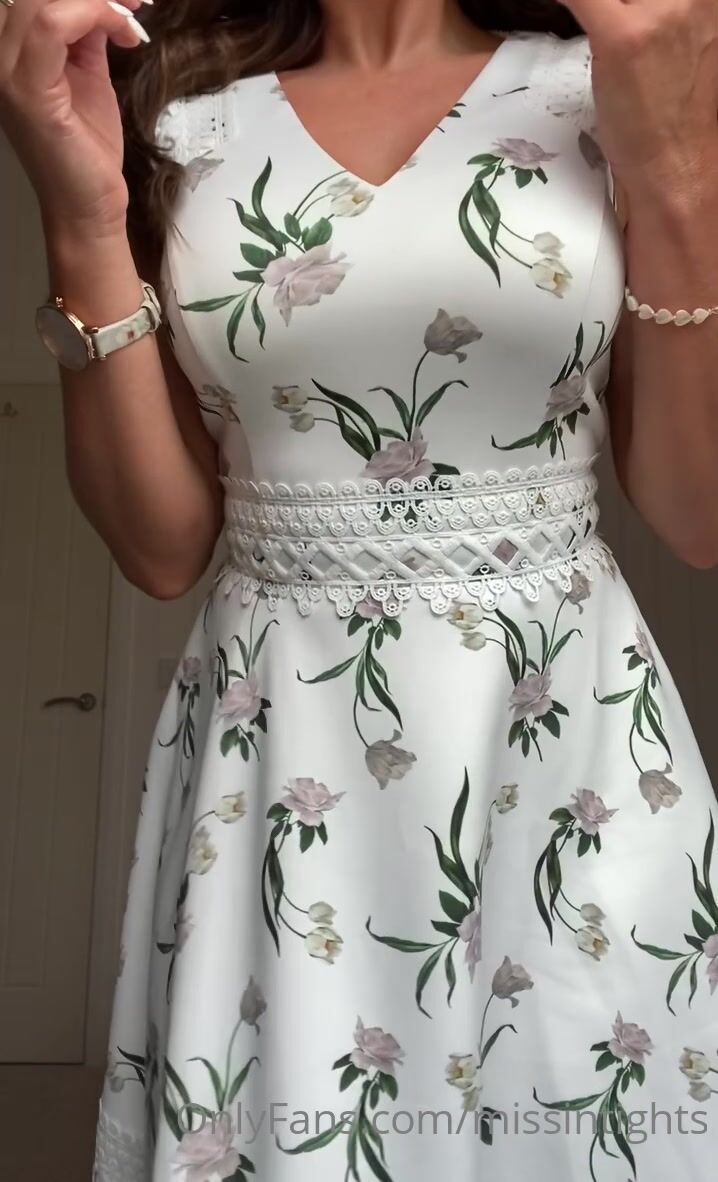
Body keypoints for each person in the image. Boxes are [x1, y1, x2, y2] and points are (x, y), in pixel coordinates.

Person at [2, 0, 717, 1178]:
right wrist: (79, 212)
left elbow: (695, 515)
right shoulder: (178, 112)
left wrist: (679, 175)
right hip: (282, 763)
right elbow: (162, 546)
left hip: (565, 753)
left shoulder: (624, 71)